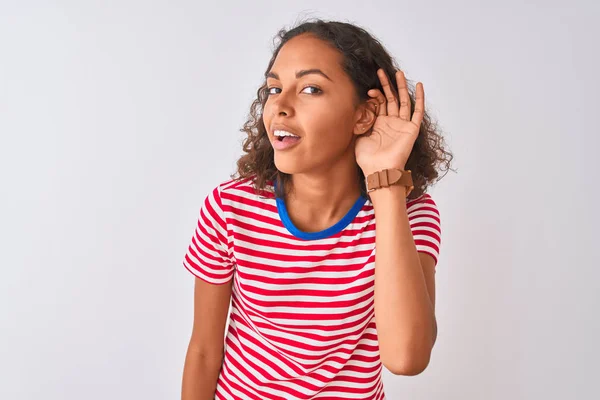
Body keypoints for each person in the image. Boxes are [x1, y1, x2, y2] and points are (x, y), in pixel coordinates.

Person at [181, 18, 453, 400]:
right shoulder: (230, 206)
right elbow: (204, 351)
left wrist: (387, 185)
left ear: (364, 114)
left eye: (310, 88)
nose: (281, 106)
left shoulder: (409, 213)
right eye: (274, 88)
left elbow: (407, 358)